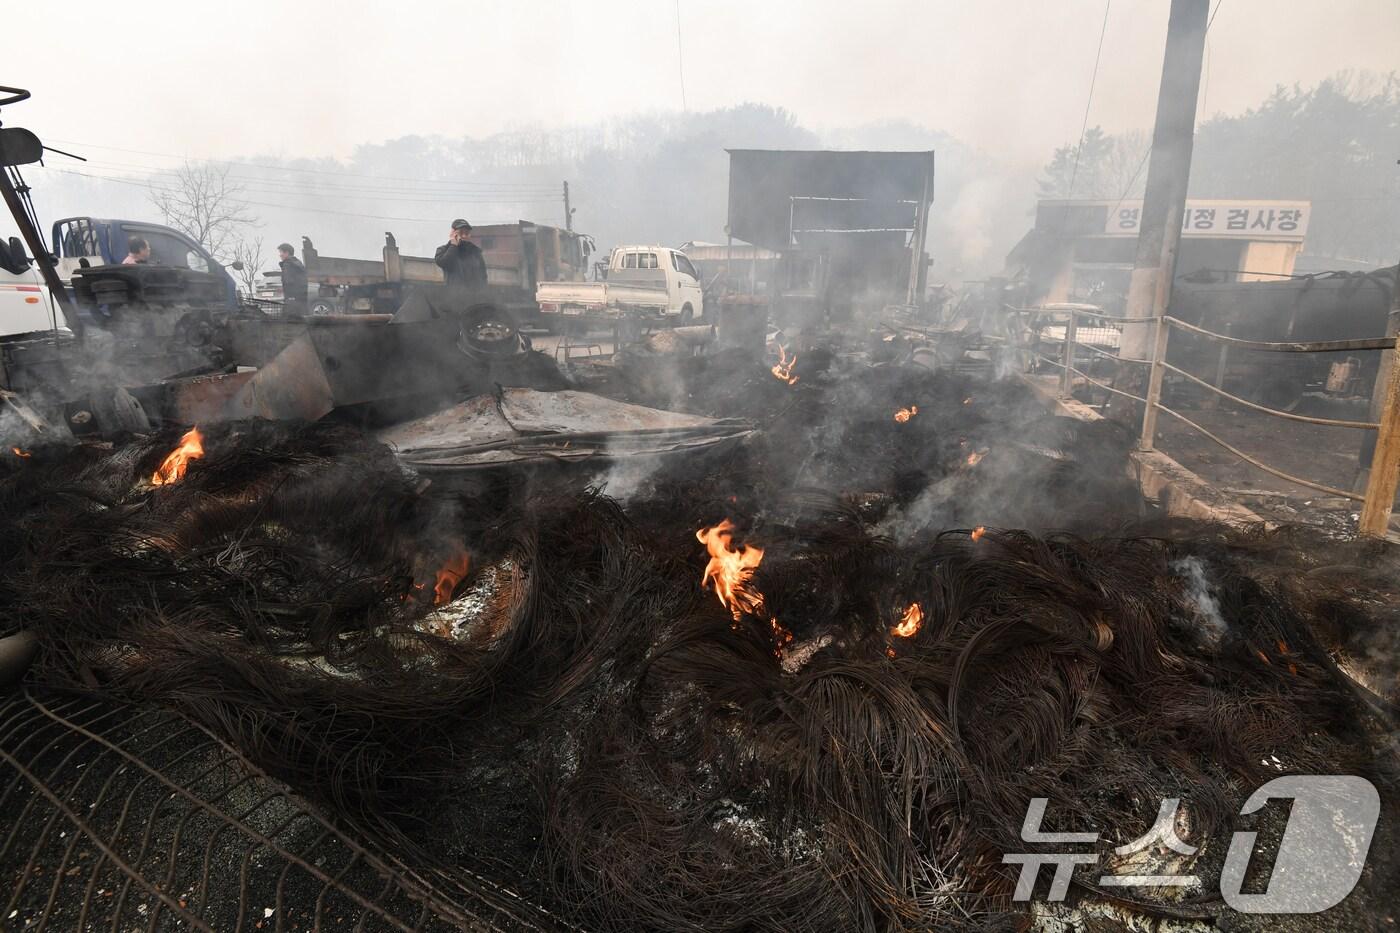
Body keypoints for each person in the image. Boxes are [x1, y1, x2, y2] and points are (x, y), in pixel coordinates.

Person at [434, 219, 487, 290]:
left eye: (467, 233)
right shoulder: (443, 250)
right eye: (461, 233)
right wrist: (453, 245)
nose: (464, 236)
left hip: (474, 297)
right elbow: (444, 262)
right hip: (453, 296)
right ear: (453, 233)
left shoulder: (475, 252)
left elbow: (483, 277)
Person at [277, 242, 308, 314]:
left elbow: (288, 282)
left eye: (281, 252)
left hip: (291, 301)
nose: (280, 255)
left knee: (289, 322)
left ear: (287, 253)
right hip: (302, 300)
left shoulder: (287, 264)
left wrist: (289, 298)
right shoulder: (298, 263)